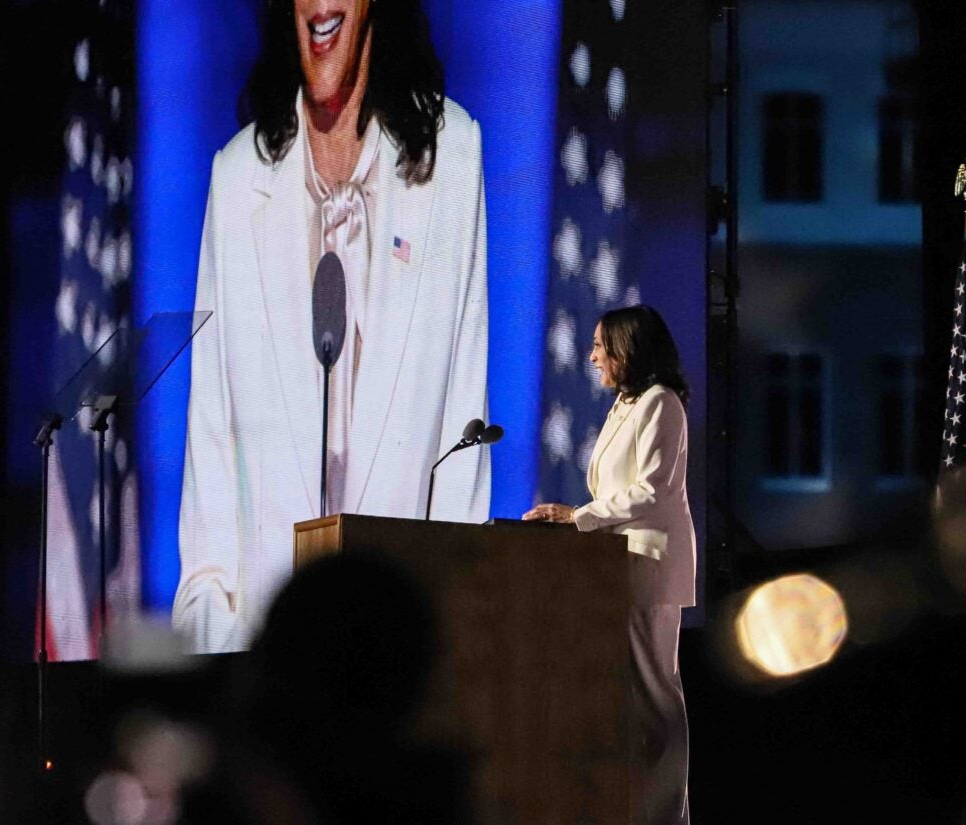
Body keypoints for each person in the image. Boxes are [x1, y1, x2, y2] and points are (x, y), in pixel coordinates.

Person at [176, 0, 490, 653]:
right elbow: (210, 450)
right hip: (267, 671)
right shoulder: (236, 179)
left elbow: (465, 442)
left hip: (403, 661)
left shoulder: (453, 156)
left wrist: (454, 656)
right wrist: (226, 660)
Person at [522, 304, 695, 825]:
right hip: (615, 565)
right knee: (630, 700)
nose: (592, 355)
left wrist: (579, 517)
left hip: (648, 563)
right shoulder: (625, 405)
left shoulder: (661, 403)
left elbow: (651, 489)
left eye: (601, 345)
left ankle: (669, 816)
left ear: (627, 348)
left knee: (654, 697)